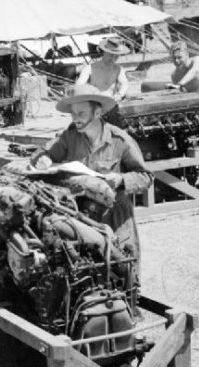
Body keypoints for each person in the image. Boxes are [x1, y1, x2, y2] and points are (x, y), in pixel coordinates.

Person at [29, 84, 153, 275]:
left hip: (115, 217)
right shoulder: (69, 136)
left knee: (124, 269)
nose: (75, 118)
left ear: (96, 113)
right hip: (82, 216)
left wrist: (121, 179)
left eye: (80, 113)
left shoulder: (119, 140)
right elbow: (41, 153)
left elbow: (146, 177)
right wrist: (43, 158)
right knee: (85, 271)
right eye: (73, 113)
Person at [76, 37, 130, 102]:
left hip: (111, 103)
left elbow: (124, 84)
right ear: (105, 51)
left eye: (116, 56)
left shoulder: (118, 69)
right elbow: (79, 85)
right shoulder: (89, 68)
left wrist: (120, 94)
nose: (113, 59)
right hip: (94, 103)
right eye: (111, 55)